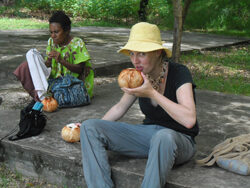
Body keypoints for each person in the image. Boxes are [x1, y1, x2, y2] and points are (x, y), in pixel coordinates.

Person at [80, 22, 199, 188]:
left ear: (158, 52)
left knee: (163, 136)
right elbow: (120, 107)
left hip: (179, 141)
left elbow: (189, 119)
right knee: (89, 127)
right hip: (148, 137)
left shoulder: (179, 72)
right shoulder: (138, 77)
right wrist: (99, 127)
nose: (135, 60)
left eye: (142, 54)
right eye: (132, 53)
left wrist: (152, 93)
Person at [13, 11, 94, 101]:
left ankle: (45, 99)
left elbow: (80, 69)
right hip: (56, 82)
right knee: (25, 66)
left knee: (54, 96)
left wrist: (61, 60)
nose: (53, 36)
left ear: (67, 30)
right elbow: (48, 64)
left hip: (73, 86)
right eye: (51, 32)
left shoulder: (77, 43)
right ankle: (42, 98)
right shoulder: (51, 42)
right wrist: (42, 62)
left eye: (56, 32)